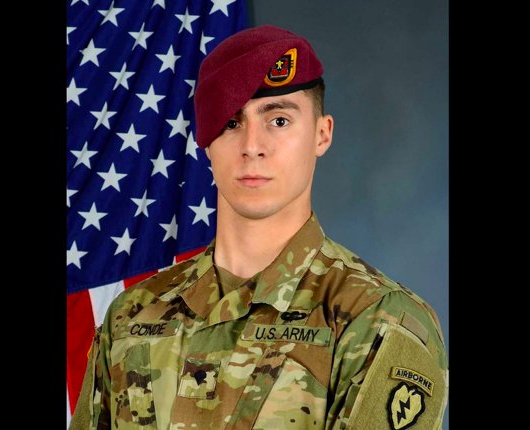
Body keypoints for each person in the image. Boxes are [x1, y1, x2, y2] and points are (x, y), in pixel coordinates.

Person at [70, 24, 448, 430]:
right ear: (205, 141)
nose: (252, 146)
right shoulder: (132, 314)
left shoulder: (375, 319)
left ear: (322, 134)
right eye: (231, 123)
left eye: (279, 120)